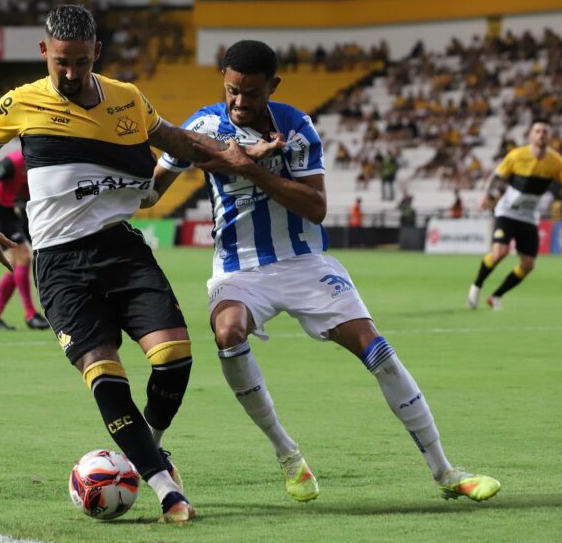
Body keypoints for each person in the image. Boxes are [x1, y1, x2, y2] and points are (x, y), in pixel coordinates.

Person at [0, 5, 275, 524]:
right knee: (105, 374)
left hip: (122, 249)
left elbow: (181, 143)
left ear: (96, 55)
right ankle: (163, 486)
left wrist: (241, 155)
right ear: (44, 52)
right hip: (60, 264)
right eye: (61, 61)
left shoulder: (127, 99)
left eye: (80, 62)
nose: (69, 72)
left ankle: (144, 449)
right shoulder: (20, 102)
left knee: (175, 357)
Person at [151, 39, 500, 504]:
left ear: (273, 86)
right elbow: (152, 192)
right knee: (228, 332)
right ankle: (289, 456)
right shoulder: (202, 125)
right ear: (223, 80)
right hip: (239, 269)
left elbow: (316, 208)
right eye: (233, 89)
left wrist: (252, 169)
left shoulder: (296, 128)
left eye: (251, 92)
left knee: (377, 349)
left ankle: (445, 471)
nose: (239, 101)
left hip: (305, 264)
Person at [468, 120, 562, 310]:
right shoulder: (517, 156)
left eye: (545, 131)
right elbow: (495, 176)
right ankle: (476, 286)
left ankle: (496, 297)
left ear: (549, 136)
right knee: (499, 253)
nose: (541, 134)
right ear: (530, 135)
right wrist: (484, 195)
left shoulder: (556, 162)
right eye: (537, 131)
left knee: (528, 264)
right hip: (508, 212)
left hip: (529, 217)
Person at [0, 150, 50, 331]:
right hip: (2, 213)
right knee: (24, 258)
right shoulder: (12, 162)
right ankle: (30, 313)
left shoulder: (44, 159)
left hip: (21, 212)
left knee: (14, 267)